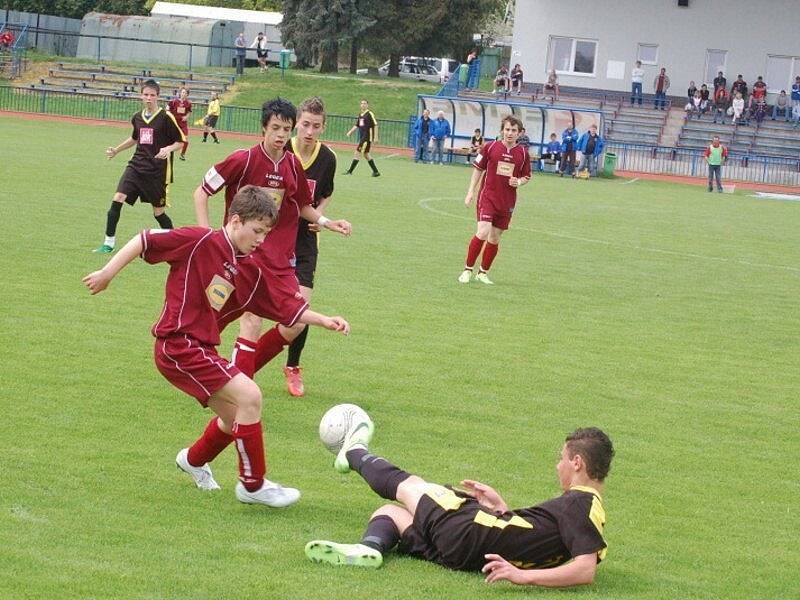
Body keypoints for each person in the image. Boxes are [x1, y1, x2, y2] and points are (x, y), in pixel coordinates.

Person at [83, 185, 351, 507]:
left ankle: (193, 461)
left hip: (199, 350)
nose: (261, 240)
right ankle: (253, 485)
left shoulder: (248, 269)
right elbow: (144, 240)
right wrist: (107, 273)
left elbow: (283, 305)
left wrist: (323, 320)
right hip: (177, 344)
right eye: (257, 231)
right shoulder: (199, 240)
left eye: (266, 233)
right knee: (250, 395)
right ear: (235, 221)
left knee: (234, 417)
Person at [305, 421, 614, 589]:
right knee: (390, 515)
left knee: (413, 487)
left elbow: (584, 570)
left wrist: (522, 576)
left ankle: (354, 450)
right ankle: (370, 548)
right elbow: (534, 536)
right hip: (466, 554)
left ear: (577, 462)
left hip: (467, 532)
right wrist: (501, 508)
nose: (557, 465)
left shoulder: (580, 503)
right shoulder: (585, 508)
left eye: (562, 458)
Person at [193, 97, 352, 388]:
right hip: (244, 257)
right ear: (264, 128)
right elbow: (201, 192)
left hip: (280, 260)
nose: (280, 135)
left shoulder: (292, 164)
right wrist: (207, 236)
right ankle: (237, 386)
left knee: (296, 323)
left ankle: (233, 375)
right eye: (275, 128)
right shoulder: (243, 159)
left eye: (285, 129)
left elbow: (304, 205)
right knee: (245, 320)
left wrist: (329, 223)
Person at [280, 96, 340, 397]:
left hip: (305, 240)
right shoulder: (280, 147)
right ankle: (244, 359)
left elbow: (325, 193)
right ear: (296, 123)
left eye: (316, 126)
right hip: (272, 237)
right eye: (305, 124)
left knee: (301, 310)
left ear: (323, 127)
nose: (310, 132)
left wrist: (322, 218)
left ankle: (292, 367)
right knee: (253, 308)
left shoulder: (327, 158)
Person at [93, 79, 185, 254]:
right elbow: (135, 138)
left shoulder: (166, 117)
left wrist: (168, 148)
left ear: (158, 96)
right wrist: (117, 150)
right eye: (145, 94)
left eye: (152, 95)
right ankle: (108, 243)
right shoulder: (137, 117)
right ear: (141, 96)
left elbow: (181, 141)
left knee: (158, 213)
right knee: (118, 197)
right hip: (136, 166)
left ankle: (176, 243)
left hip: (157, 170)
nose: (148, 98)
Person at [458, 115, 531, 285]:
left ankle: (482, 273)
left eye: (513, 130)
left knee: (495, 237)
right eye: (507, 129)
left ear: (519, 133)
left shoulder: (523, 153)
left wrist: (519, 181)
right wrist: (470, 192)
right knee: (483, 231)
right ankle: (467, 270)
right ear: (502, 130)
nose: (510, 133)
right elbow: (478, 169)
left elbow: (527, 175)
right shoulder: (490, 147)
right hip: (488, 197)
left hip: (507, 201)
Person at [344, 99, 380, 177]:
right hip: (362, 136)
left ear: (367, 105)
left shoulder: (369, 114)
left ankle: (350, 171)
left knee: (357, 152)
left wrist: (376, 137)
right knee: (366, 154)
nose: (363, 105)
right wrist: (350, 132)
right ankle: (376, 172)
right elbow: (357, 125)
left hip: (367, 137)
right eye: (362, 103)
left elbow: (375, 125)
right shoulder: (361, 114)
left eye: (365, 103)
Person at [167, 87, 192, 161]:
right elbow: (167, 109)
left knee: (185, 139)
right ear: (180, 93)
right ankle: (167, 151)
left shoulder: (188, 103)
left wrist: (186, 117)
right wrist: (170, 116)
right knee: (170, 139)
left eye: (185, 93)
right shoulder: (174, 101)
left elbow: (189, 112)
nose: (183, 94)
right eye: (182, 92)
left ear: (187, 95)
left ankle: (182, 154)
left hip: (183, 124)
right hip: (174, 123)